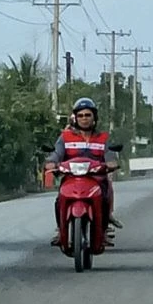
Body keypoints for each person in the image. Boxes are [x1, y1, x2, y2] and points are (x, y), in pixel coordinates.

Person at [45, 97, 123, 246]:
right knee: (58, 201)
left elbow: (110, 156)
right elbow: (56, 154)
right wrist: (51, 163)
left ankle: (103, 230)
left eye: (88, 115)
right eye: (80, 116)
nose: (84, 119)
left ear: (94, 117)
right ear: (75, 118)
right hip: (71, 180)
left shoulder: (103, 138)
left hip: (96, 180)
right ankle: (61, 230)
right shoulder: (65, 137)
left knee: (105, 199)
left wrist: (111, 163)